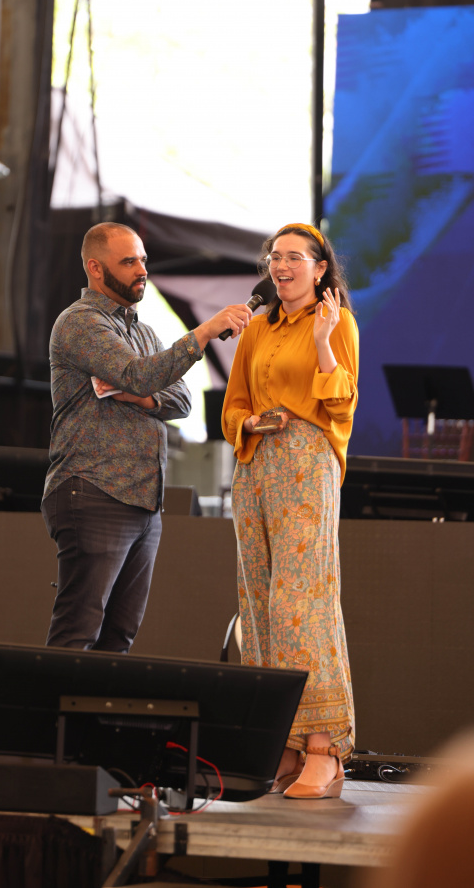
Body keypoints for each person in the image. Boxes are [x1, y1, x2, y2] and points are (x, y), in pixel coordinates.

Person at [43, 221, 252, 651]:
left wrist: (141, 396)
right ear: (95, 269)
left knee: (119, 637)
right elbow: (139, 374)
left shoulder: (143, 332)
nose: (142, 269)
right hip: (95, 489)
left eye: (143, 259)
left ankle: (95, 702)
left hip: (143, 501)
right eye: (129, 261)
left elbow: (182, 400)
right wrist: (203, 333)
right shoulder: (80, 323)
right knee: (78, 633)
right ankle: (51, 702)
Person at [221, 222, 359, 800]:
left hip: (307, 466)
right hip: (255, 468)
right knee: (258, 607)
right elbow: (232, 406)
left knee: (300, 606)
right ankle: (283, 743)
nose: (280, 266)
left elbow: (342, 401)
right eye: (275, 257)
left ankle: (324, 748)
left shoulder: (337, 322)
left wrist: (324, 340)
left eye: (294, 258)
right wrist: (249, 423)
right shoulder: (257, 327)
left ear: (320, 268)